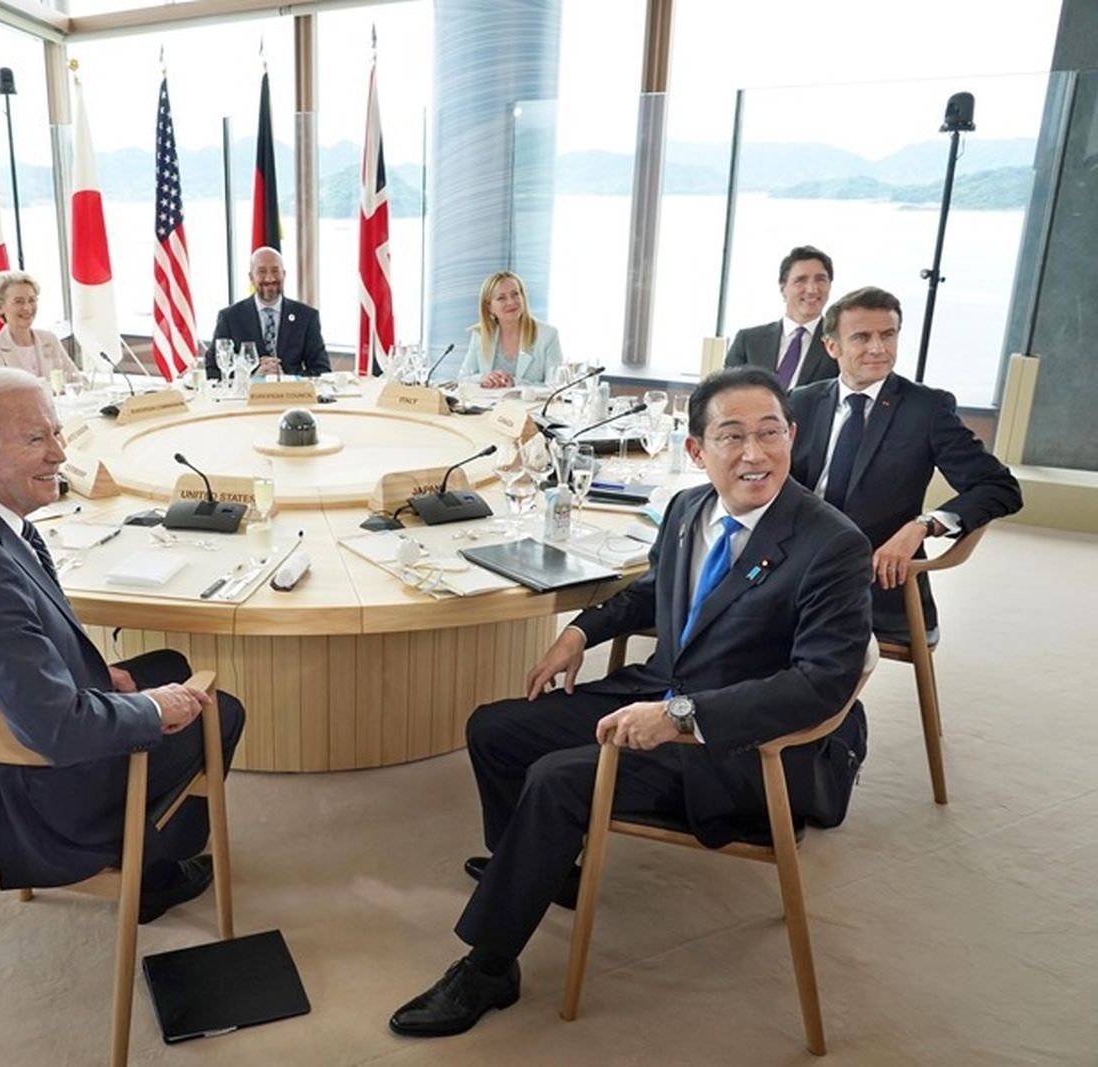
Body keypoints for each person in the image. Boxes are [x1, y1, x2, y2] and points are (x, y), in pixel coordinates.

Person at [389, 366, 873, 1039]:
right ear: (697, 451)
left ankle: (490, 966)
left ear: (792, 435)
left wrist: (681, 716)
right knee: (495, 728)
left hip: (739, 746)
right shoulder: (689, 509)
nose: (755, 453)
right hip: (660, 687)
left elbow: (820, 683)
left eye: (770, 433)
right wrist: (579, 633)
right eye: (732, 436)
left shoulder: (833, 544)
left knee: (558, 779)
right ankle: (539, 868)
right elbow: (652, 592)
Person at [0, 367, 245, 918]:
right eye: (36, 439)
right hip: (30, 801)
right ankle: (148, 872)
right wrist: (153, 709)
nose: (60, 454)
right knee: (217, 711)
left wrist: (104, 681)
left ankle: (148, 853)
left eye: (57, 433)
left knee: (169, 664)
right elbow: (56, 729)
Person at [789, 285, 1022, 640]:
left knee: (799, 633)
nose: (878, 348)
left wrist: (924, 525)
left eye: (888, 335)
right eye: (862, 337)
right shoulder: (800, 402)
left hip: (874, 578)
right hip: (794, 565)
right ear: (831, 346)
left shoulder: (927, 410)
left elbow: (1000, 487)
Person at [724, 245, 839, 388]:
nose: (812, 290)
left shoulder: (839, 343)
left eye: (820, 280)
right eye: (801, 280)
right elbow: (727, 391)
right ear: (783, 289)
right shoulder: (748, 341)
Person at [210, 246, 329, 378]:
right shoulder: (229, 318)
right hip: (246, 391)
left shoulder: (306, 317)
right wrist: (251, 377)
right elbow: (213, 369)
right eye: (262, 272)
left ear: (284, 274)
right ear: (251, 277)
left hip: (290, 391)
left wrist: (286, 379)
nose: (269, 278)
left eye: (275, 271)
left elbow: (322, 371)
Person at [0, 270, 84, 385]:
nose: (27, 307)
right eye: (19, 302)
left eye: (31, 300)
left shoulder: (49, 339)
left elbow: (76, 380)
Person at [456, 271, 562, 388]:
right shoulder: (480, 334)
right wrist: (483, 378)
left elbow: (557, 386)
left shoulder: (548, 335)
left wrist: (515, 383)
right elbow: (463, 379)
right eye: (501, 298)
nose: (511, 302)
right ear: (489, 307)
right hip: (487, 400)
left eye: (515, 294)